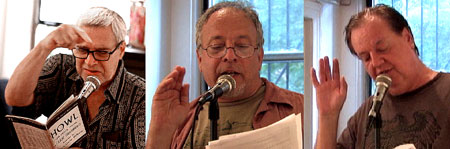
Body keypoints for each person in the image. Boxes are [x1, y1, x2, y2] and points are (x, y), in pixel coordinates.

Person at [147, 1, 304, 149]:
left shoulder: (301, 108)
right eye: (217, 47)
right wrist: (159, 132)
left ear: (259, 56)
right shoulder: (182, 119)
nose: (229, 56)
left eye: (242, 46)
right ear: (200, 59)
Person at [312, 4, 450, 149]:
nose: (376, 63)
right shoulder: (369, 112)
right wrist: (327, 116)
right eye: (366, 58)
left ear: (408, 38)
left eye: (382, 49)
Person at [5, 7, 145, 148]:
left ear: (121, 50)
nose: (90, 62)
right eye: (83, 50)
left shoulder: (140, 96)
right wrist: (46, 45)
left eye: (102, 52)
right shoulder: (61, 67)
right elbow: (15, 98)